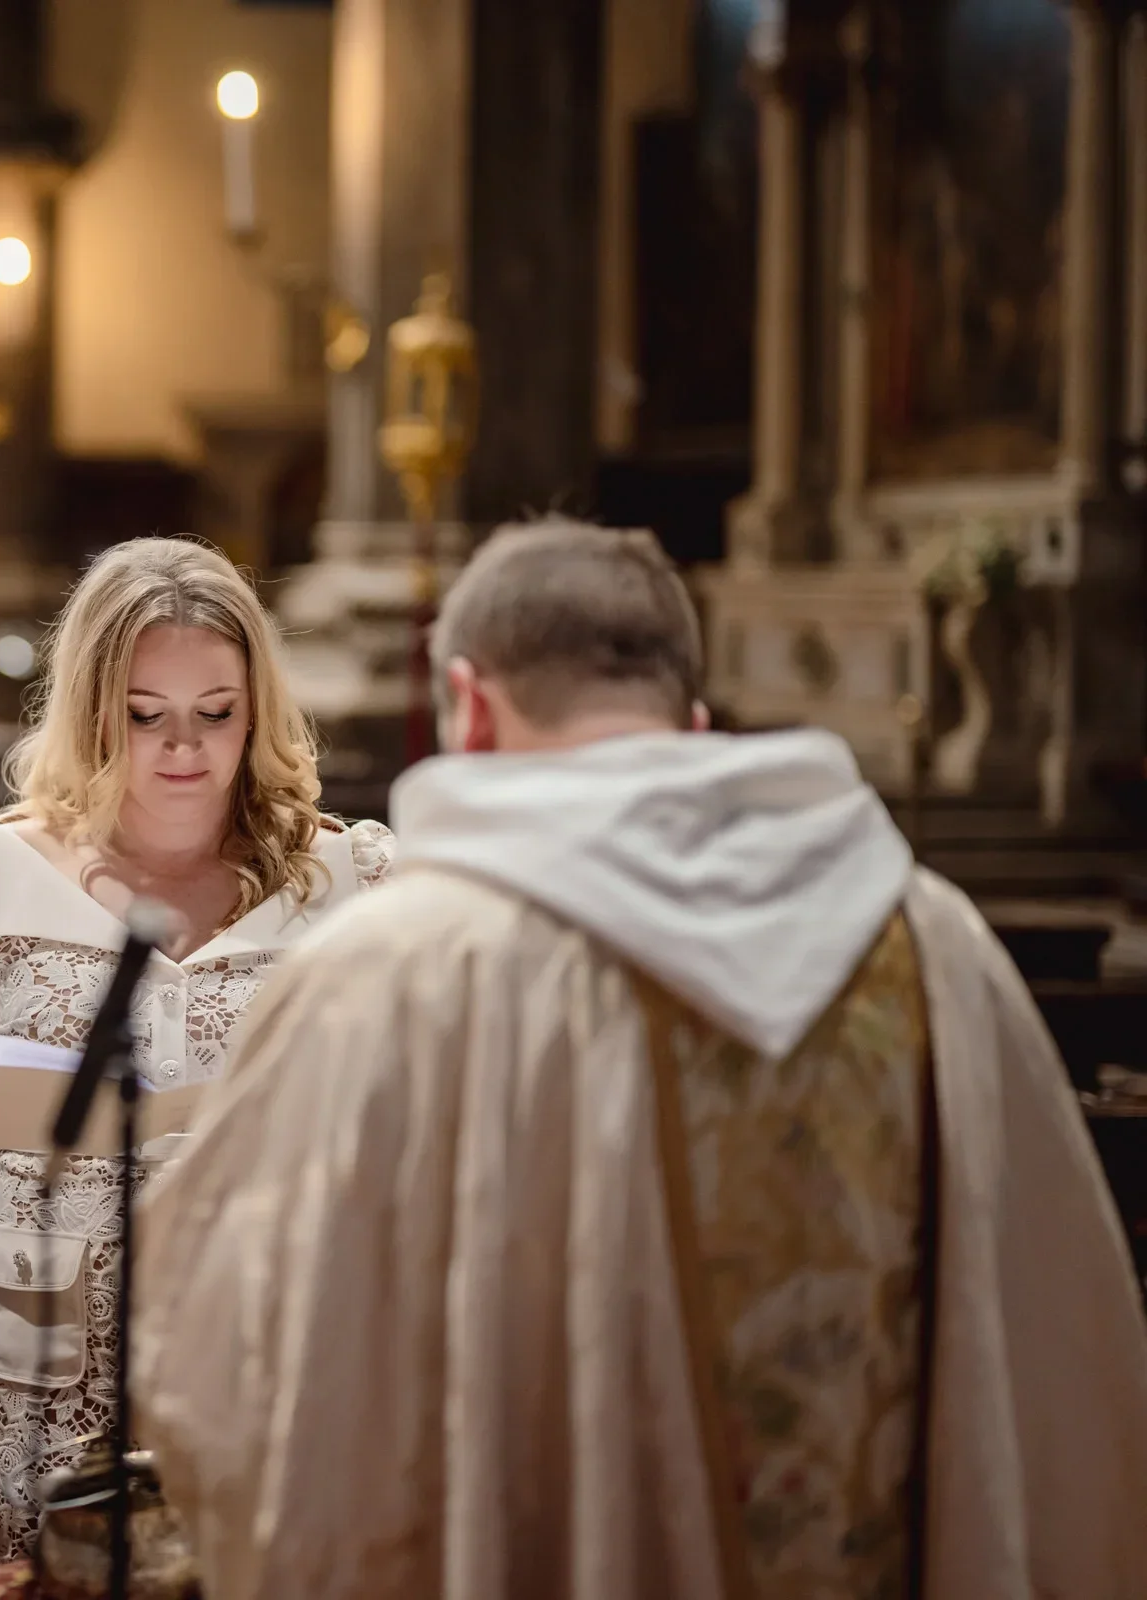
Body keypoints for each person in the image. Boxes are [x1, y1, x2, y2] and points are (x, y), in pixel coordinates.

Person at [135, 518, 1147, 1599]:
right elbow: (1073, 1363)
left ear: (468, 707)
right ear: (693, 723)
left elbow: (229, 1381)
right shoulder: (936, 945)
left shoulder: (398, 969)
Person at [0, 537, 394, 1574]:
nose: (183, 748)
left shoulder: (350, 874)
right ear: (95, 707)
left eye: (216, 713)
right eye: (146, 715)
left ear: (257, 708)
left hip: (269, 1331)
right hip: (47, 1347)